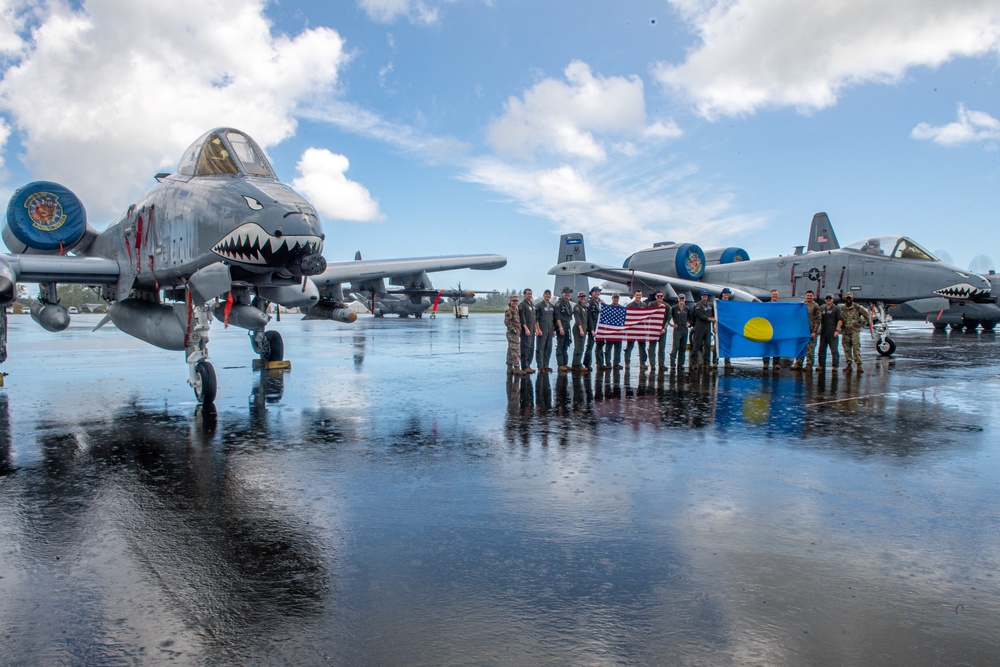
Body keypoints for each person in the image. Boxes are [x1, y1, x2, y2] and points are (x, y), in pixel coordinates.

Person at [840, 291, 870, 372]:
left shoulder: (857, 307)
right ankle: (849, 365)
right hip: (845, 331)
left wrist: (861, 324)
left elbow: (867, 315)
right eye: (847, 298)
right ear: (845, 299)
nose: (848, 300)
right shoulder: (842, 308)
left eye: (850, 298)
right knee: (846, 348)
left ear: (852, 299)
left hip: (854, 331)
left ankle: (859, 365)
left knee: (856, 348)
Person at [791, 290, 821, 371]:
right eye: (808, 295)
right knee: (800, 347)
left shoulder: (816, 306)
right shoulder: (802, 305)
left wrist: (814, 332)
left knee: (810, 349)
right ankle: (798, 363)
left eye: (810, 296)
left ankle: (809, 364)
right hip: (801, 330)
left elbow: (818, 320)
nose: (809, 297)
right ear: (805, 296)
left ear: (813, 296)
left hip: (811, 329)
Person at [816, 293, 842, 373]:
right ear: (825, 299)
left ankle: (835, 366)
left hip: (832, 331)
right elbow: (818, 317)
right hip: (824, 332)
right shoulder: (822, 308)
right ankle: (821, 365)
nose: (828, 299)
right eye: (827, 298)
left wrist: (837, 330)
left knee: (834, 350)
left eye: (830, 298)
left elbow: (840, 320)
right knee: (821, 349)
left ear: (833, 299)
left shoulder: (836, 308)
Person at [623, 289, 648, 370]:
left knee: (642, 347)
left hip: (641, 329)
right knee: (629, 347)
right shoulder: (629, 305)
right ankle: (627, 363)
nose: (638, 296)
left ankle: (643, 363)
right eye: (637, 295)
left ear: (641, 295)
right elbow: (626, 317)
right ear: (634, 295)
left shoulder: (644, 305)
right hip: (632, 329)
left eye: (640, 295)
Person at [691, 290, 716, 369]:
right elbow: (700, 315)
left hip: (707, 327)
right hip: (699, 326)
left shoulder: (710, 305)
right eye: (703, 295)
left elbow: (713, 314)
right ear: (701, 296)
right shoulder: (698, 305)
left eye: (706, 295)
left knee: (707, 345)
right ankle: (694, 362)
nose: (705, 297)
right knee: (697, 344)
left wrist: (713, 325)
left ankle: (706, 363)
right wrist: (709, 319)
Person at [669, 293, 692, 369]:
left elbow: (690, 318)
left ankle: (680, 364)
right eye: (680, 299)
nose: (681, 300)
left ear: (685, 299)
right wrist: (671, 324)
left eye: (683, 299)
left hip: (684, 329)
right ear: (678, 299)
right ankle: (672, 364)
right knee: (675, 347)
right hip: (677, 329)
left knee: (683, 347)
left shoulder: (687, 309)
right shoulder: (674, 308)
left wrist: (689, 323)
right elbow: (668, 317)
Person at [648, 291, 669, 372]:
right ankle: (652, 364)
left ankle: (661, 364)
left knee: (662, 348)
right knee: (652, 347)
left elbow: (668, 318)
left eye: (661, 296)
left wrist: (664, 328)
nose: (659, 298)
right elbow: (648, 314)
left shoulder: (667, 306)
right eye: (658, 296)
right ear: (656, 297)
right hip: (653, 329)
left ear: (663, 297)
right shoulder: (652, 304)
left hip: (662, 329)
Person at [534, 289, 555, 372]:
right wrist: (538, 329)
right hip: (542, 329)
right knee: (540, 347)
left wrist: (553, 330)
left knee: (548, 347)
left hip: (550, 329)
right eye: (546, 294)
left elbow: (553, 319)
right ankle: (540, 365)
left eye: (549, 294)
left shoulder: (552, 306)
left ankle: (546, 364)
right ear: (543, 295)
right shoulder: (539, 305)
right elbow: (536, 319)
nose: (548, 296)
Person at [585, 286, 605, 370]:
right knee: (590, 345)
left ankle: (600, 363)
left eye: (598, 291)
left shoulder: (600, 302)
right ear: (592, 293)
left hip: (600, 327)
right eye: (595, 292)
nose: (597, 293)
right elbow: (588, 317)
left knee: (600, 345)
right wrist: (591, 329)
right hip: (592, 326)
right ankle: (587, 364)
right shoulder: (589, 303)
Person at [554, 286, 574, 372]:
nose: (567, 294)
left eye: (569, 293)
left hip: (567, 327)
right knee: (560, 346)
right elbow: (557, 317)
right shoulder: (559, 303)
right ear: (562, 293)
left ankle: (565, 364)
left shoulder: (568, 303)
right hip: (561, 328)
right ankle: (560, 364)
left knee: (566, 345)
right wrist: (560, 328)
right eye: (566, 292)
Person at [517, 288, 537, 374]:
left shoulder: (532, 304)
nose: (530, 295)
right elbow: (522, 318)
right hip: (526, 330)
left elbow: (534, 318)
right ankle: (524, 366)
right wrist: (526, 329)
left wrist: (535, 328)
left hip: (532, 329)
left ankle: (528, 365)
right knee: (525, 348)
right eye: (528, 294)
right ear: (524, 295)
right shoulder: (522, 305)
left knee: (531, 348)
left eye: (531, 294)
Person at [603, 292, 623, 369]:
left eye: (617, 298)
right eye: (614, 297)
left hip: (619, 331)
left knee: (618, 349)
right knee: (608, 348)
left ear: (618, 299)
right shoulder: (608, 307)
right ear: (612, 298)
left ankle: (616, 363)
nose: (616, 299)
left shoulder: (622, 308)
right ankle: (608, 363)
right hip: (610, 331)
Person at [504, 294, 523, 375]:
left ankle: (509, 367)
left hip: (515, 333)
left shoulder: (515, 310)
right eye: (513, 301)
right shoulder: (509, 310)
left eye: (516, 301)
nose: (515, 302)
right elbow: (506, 321)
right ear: (510, 301)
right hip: (512, 334)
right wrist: (513, 330)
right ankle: (517, 368)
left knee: (510, 350)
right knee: (516, 350)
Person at [571, 291, 589, 372]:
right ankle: (577, 364)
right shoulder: (577, 307)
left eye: (584, 297)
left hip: (583, 329)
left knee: (581, 347)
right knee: (578, 347)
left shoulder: (584, 307)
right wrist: (581, 330)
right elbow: (578, 320)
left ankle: (576, 363)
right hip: (578, 329)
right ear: (578, 298)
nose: (583, 298)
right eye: (581, 297)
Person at [715, 287, 732, 368]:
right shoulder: (718, 303)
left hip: (728, 328)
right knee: (717, 344)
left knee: (728, 345)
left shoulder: (731, 305)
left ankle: (727, 362)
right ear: (722, 294)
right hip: (720, 327)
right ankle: (715, 362)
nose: (726, 295)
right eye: (725, 293)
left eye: (728, 293)